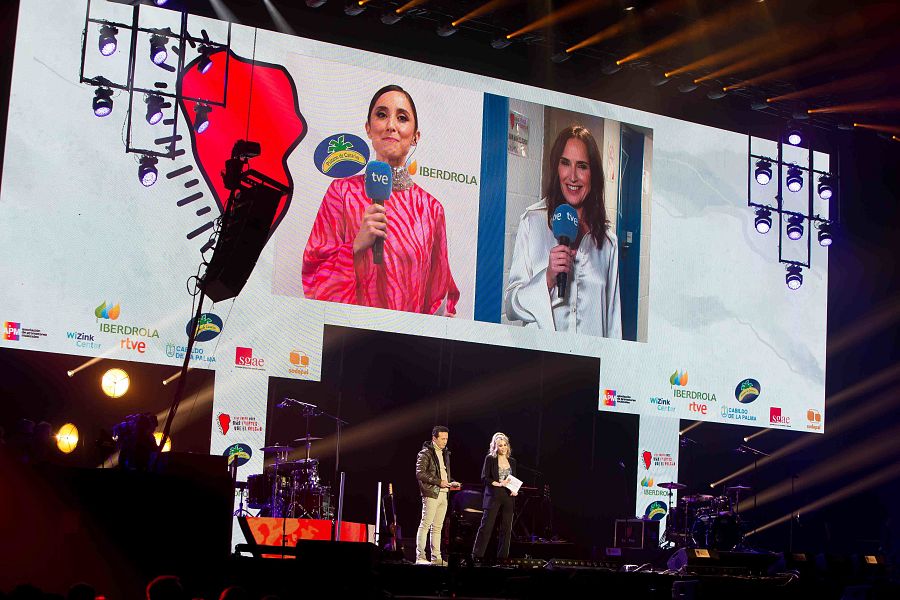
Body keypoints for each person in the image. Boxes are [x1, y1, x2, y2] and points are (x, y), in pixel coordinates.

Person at [302, 84, 460, 315]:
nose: (391, 126)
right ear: (368, 128)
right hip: (349, 332)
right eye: (382, 115)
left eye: (402, 118)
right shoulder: (342, 193)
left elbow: (438, 291)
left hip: (404, 334)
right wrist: (356, 246)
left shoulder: (430, 209)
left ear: (415, 136)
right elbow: (314, 274)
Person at [505, 125, 622, 338]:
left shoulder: (608, 242)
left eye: (582, 166)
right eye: (565, 163)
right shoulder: (532, 223)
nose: (572, 176)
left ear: (593, 174)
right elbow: (511, 307)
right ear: (556, 168)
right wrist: (547, 278)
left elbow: (613, 325)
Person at [414, 425, 460, 566]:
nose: (445, 441)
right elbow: (420, 473)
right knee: (425, 524)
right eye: (442, 438)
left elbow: (442, 473)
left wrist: (451, 482)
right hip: (431, 493)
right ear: (434, 438)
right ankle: (420, 556)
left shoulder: (445, 453)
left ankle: (436, 558)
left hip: (444, 494)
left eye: (446, 438)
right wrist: (439, 482)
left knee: (438, 527)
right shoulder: (425, 453)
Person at [472, 432, 518, 561]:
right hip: (494, 495)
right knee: (486, 527)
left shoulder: (512, 461)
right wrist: (498, 483)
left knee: (506, 529)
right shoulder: (490, 459)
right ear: (495, 446)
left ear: (508, 446)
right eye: (500, 445)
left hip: (508, 497)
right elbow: (485, 478)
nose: (503, 448)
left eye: (504, 445)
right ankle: (477, 556)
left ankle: (502, 558)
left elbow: (513, 479)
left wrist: (514, 489)